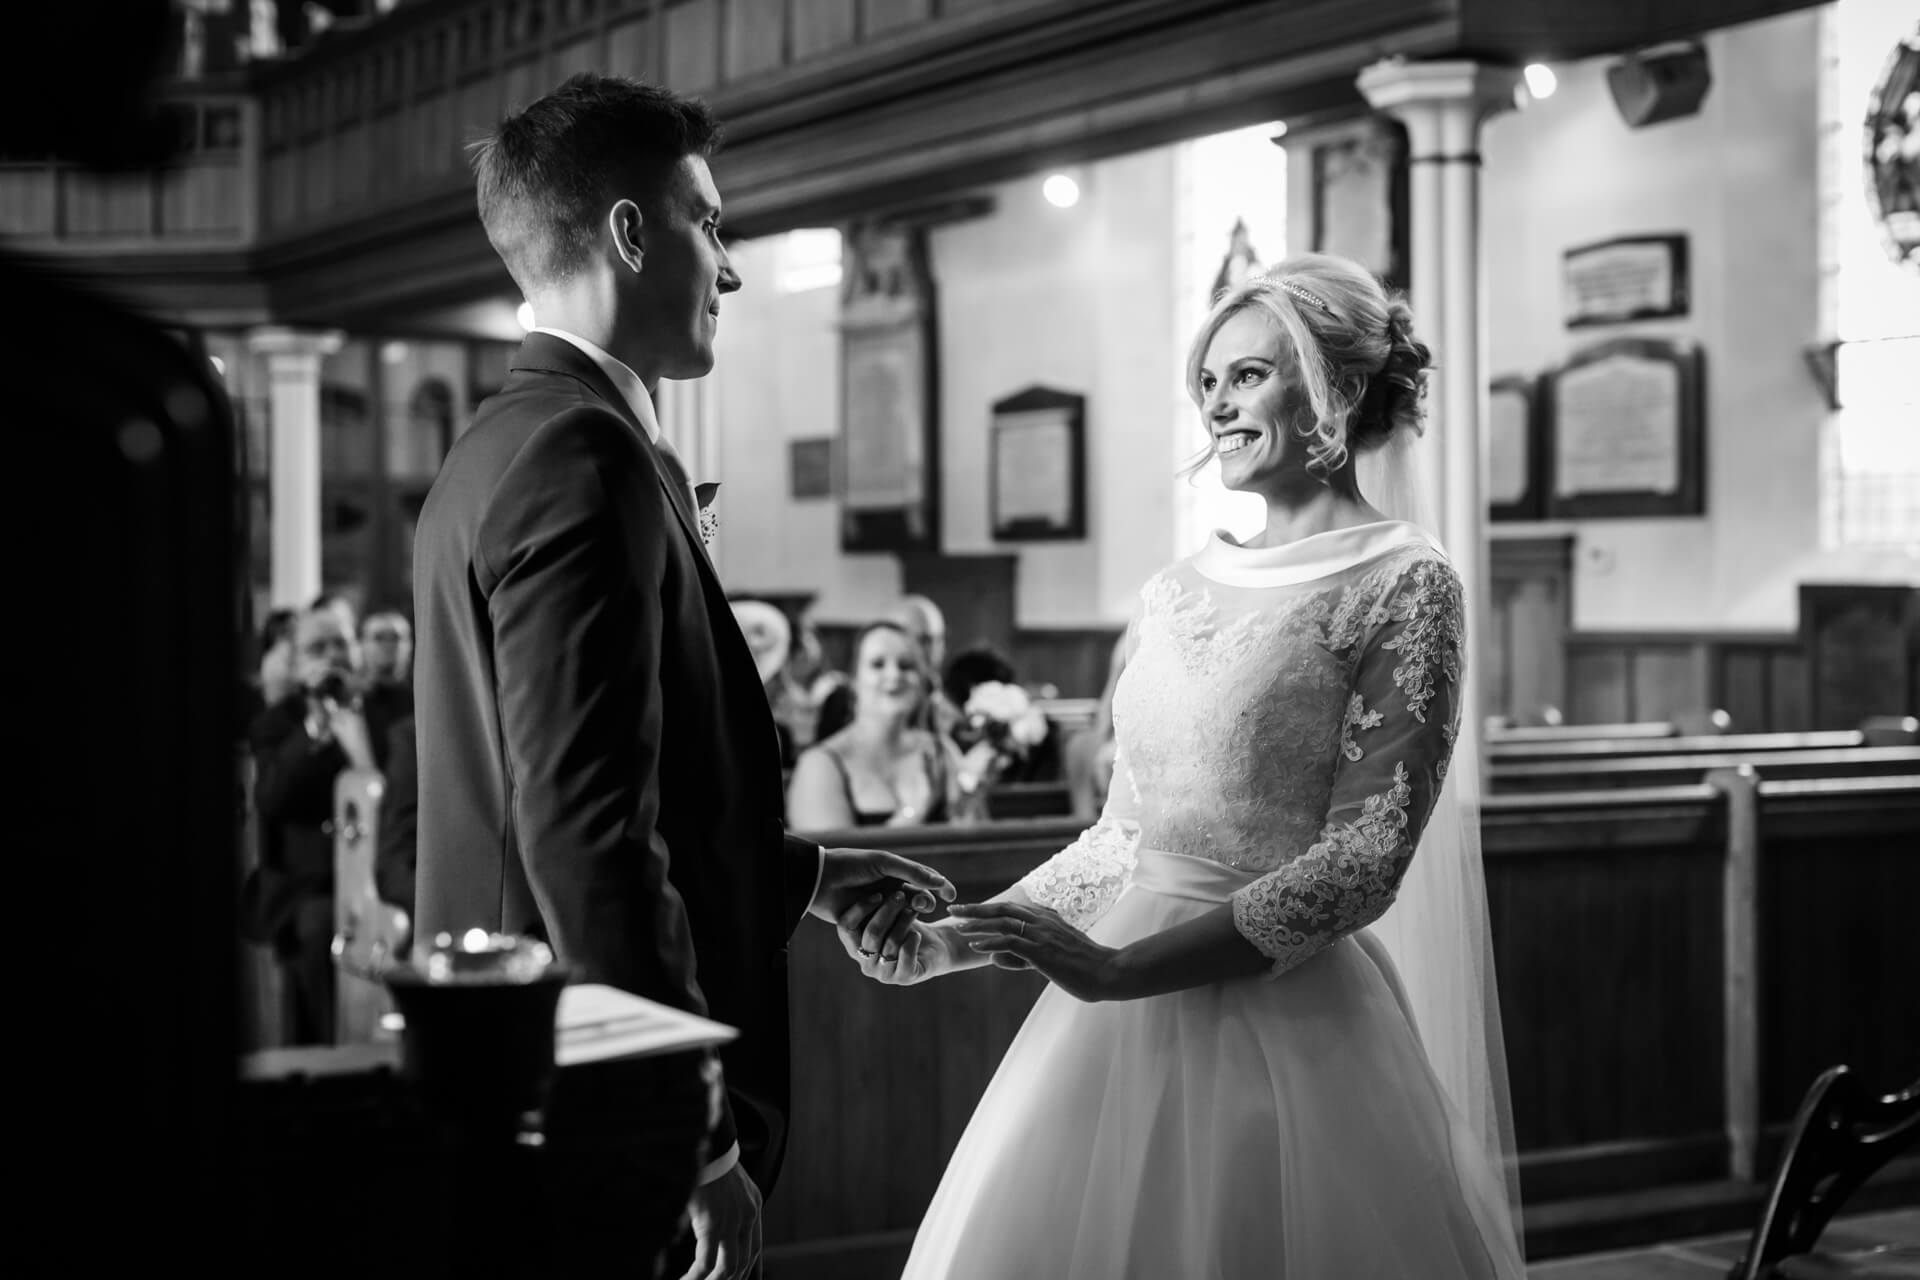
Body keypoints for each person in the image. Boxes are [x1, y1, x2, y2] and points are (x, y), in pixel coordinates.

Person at [840, 255, 1524, 1278]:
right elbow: (1122, 839)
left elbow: (1366, 859)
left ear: (1336, 385)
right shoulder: (1174, 591)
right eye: (1207, 383)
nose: (1218, 406)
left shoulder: (1406, 583)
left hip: (1287, 1022)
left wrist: (1119, 971)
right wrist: (959, 940)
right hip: (1108, 1017)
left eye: (1248, 375)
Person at [410, 73, 953, 1280]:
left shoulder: (501, 443)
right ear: (629, 232)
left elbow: (613, 788)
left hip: (526, 1064)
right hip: (595, 1112)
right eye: (710, 222)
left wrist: (802, 875)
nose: (731, 267)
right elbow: (585, 832)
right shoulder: (578, 453)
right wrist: (688, 1135)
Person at [245, 605, 396, 1045]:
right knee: (321, 928)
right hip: (309, 885)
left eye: (341, 643)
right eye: (317, 647)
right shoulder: (276, 724)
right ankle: (331, 1051)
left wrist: (361, 750)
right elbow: (272, 798)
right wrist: (315, 727)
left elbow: (402, 794)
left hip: (385, 870)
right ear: (295, 664)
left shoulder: (394, 709)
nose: (333, 655)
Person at [787, 621, 951, 829]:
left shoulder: (938, 752)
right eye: (878, 664)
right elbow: (831, 850)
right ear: (854, 680)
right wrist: (911, 814)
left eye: (906, 665)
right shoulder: (819, 766)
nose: (894, 675)